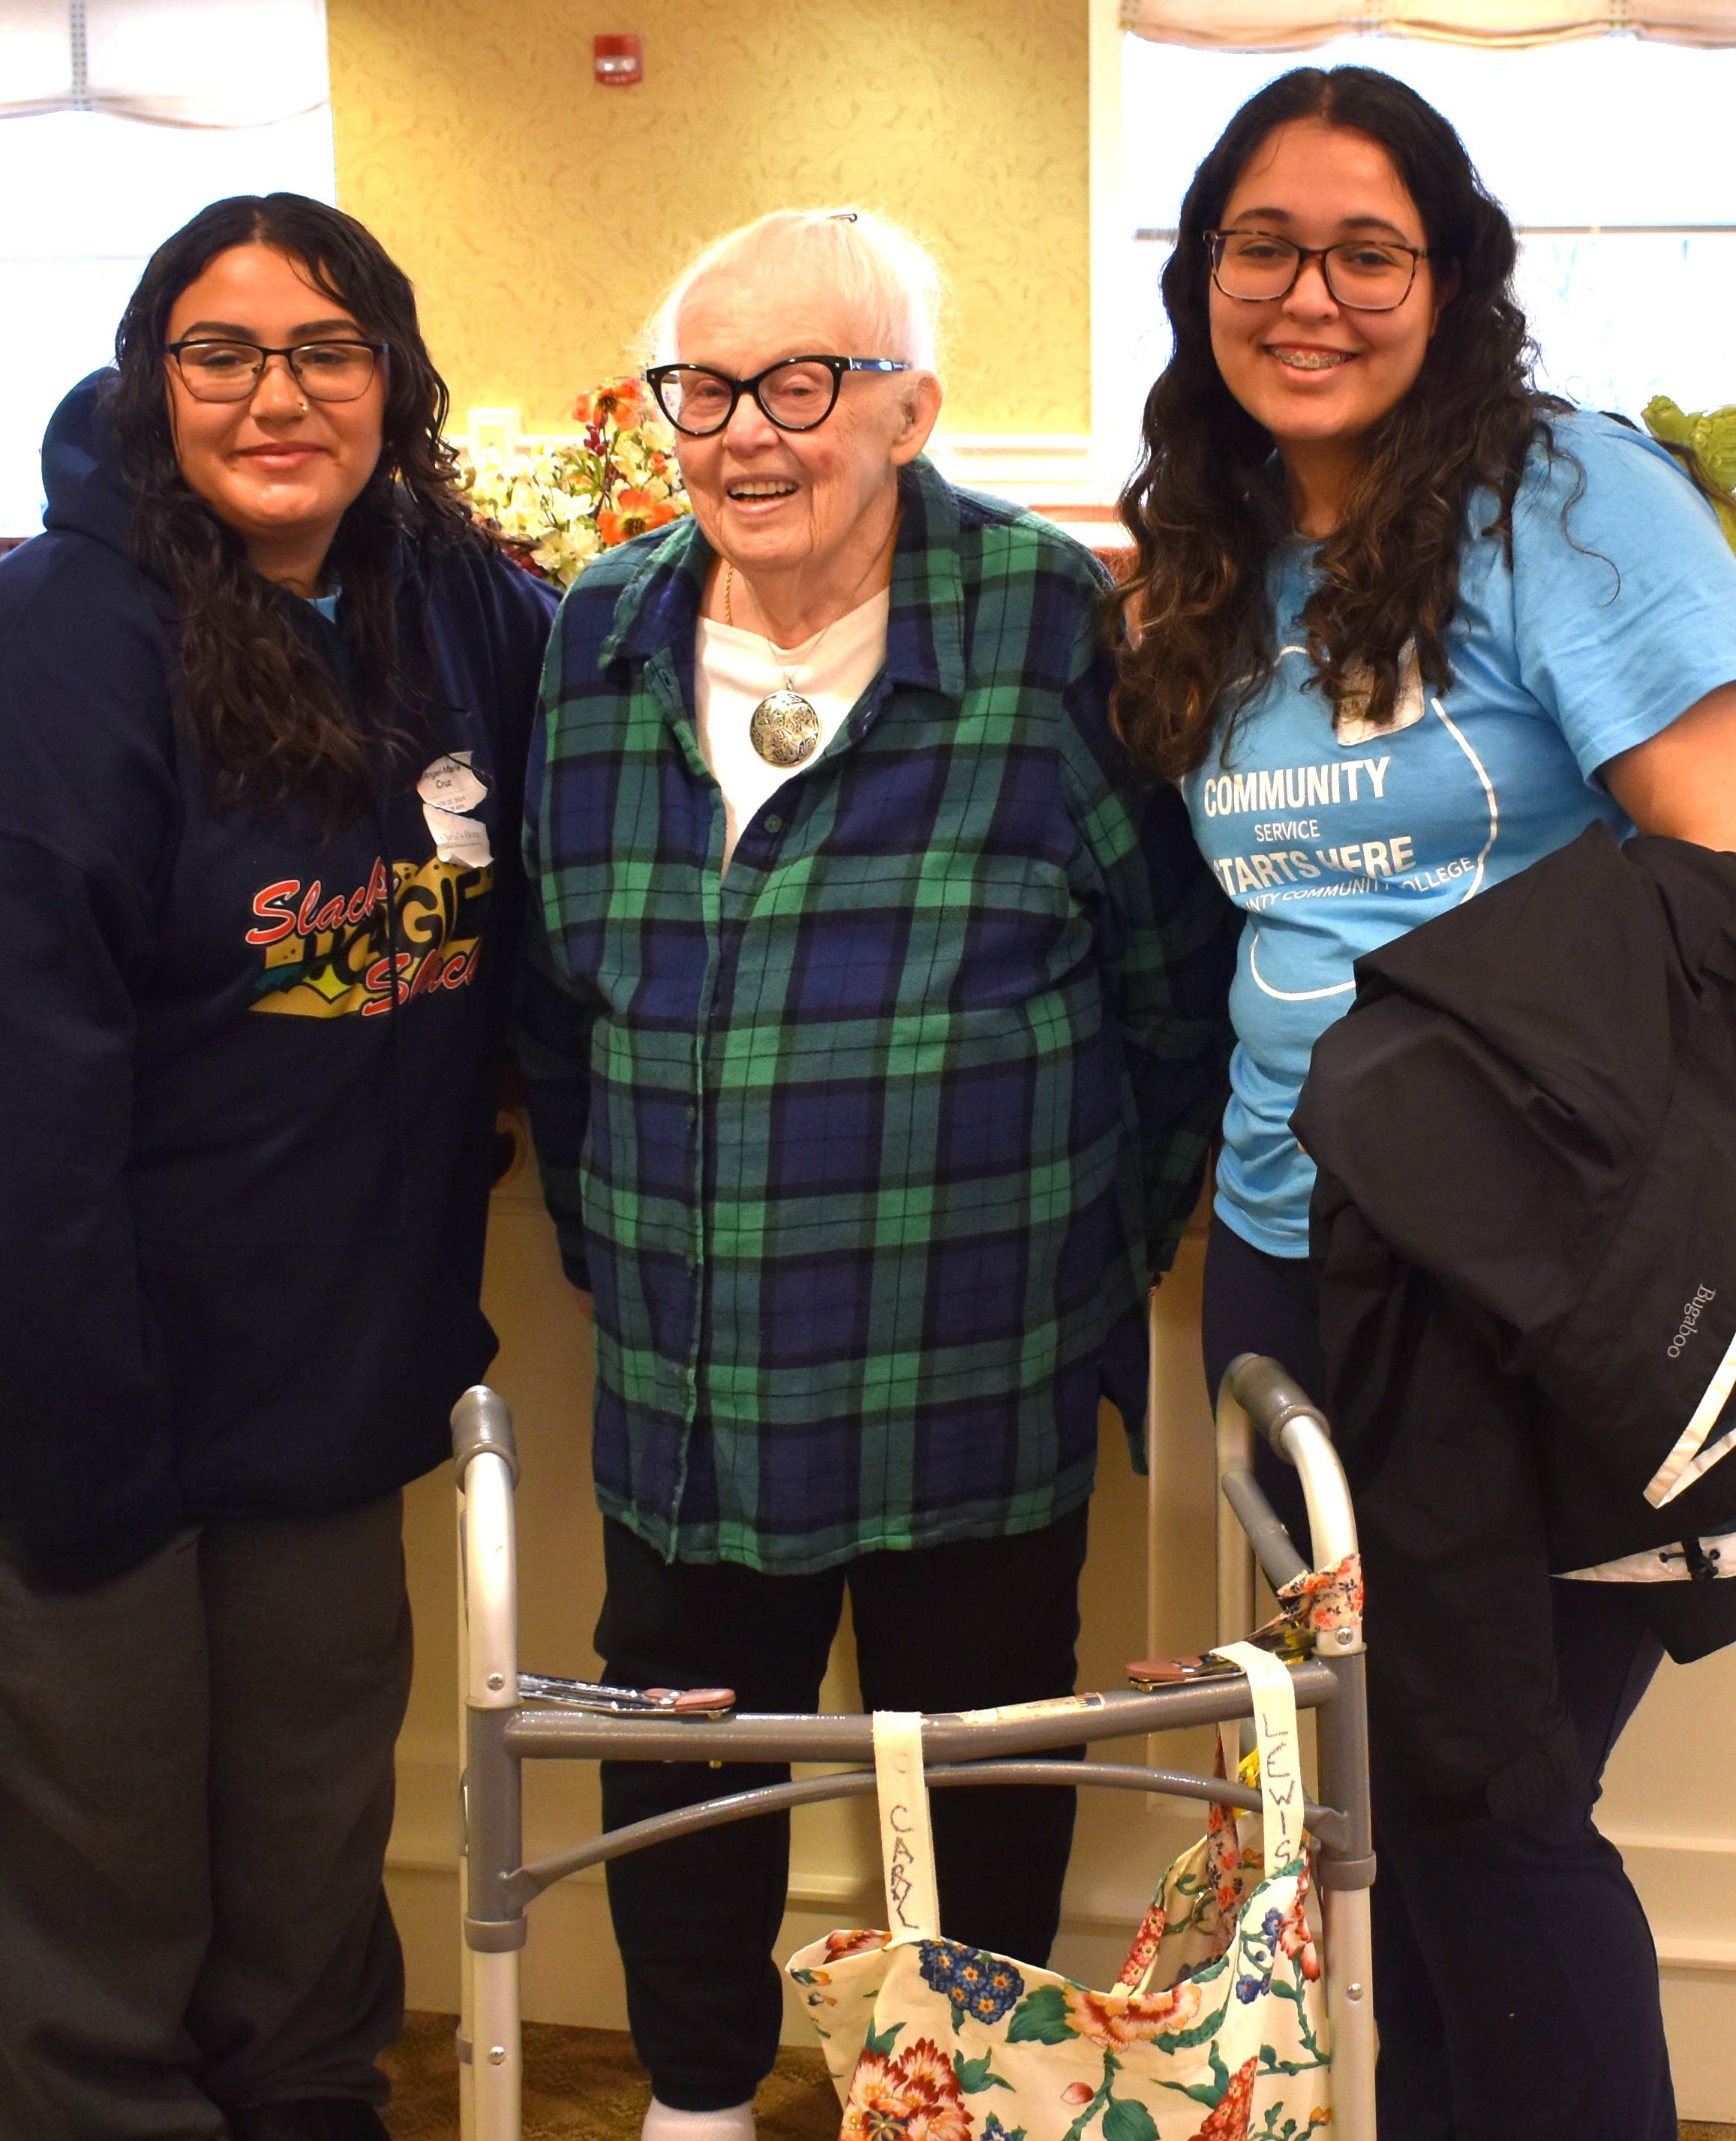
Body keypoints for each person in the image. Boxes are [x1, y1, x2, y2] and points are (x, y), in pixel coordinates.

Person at [0, 193, 554, 2141]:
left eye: (328, 350)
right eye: (223, 353)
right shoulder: (33, 674)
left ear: (395, 379)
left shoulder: (448, 606)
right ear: (152, 381)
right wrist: (88, 1485)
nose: (278, 397)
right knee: (95, 1914)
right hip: (22, 1409)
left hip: (304, 1388)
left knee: (303, 1886)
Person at [1112, 69, 1736, 2141]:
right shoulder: (1221, 547)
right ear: (1203, 273)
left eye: (1368, 252)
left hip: (1526, 1278)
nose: (1308, 295)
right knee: (1375, 1815)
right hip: (1286, 1254)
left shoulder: (1570, 502)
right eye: (1263, 247)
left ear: (1450, 277)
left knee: (1488, 1807)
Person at [518, 208, 1234, 2141]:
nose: (747, 432)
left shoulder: (1048, 622)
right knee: (684, 1742)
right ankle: (693, 2099)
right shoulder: (601, 630)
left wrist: (1090, 1256)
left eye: (804, 383)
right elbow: (552, 994)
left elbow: (1173, 990)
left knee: (975, 1754)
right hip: (684, 1343)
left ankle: (964, 2098)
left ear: (912, 410)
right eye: (705, 389)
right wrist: (611, 1236)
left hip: (977, 1338)